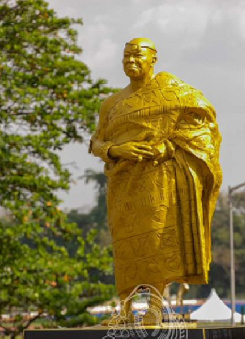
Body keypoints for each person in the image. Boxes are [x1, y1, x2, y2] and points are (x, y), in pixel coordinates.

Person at [90, 38, 222, 324]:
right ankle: (124, 309)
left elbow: (201, 125)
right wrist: (114, 150)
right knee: (125, 245)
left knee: (156, 240)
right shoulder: (111, 103)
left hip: (159, 178)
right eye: (126, 56)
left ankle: (153, 308)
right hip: (122, 183)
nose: (131, 60)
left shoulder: (173, 92)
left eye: (138, 55)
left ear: (153, 59)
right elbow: (96, 141)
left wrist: (167, 147)